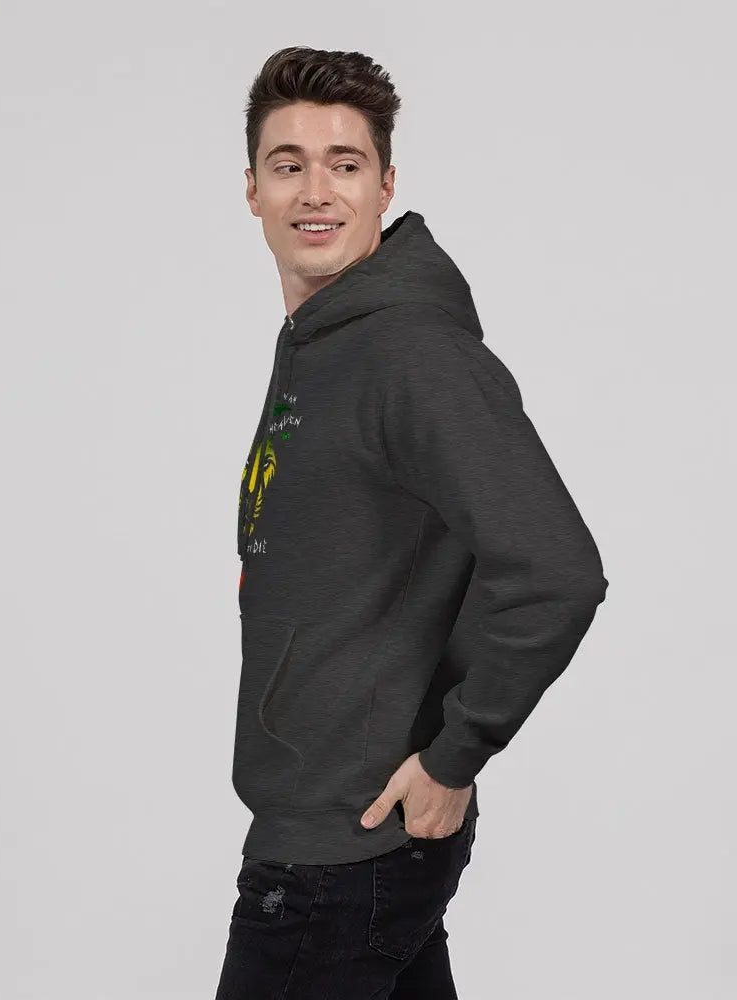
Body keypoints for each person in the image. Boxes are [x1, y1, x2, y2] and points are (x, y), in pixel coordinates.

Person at [216, 45, 608, 1000]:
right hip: (334, 833)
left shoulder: (412, 355)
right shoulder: (320, 342)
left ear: (385, 185)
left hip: (344, 852)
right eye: (288, 164)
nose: (316, 190)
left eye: (345, 164)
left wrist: (454, 753)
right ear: (252, 189)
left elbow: (556, 570)